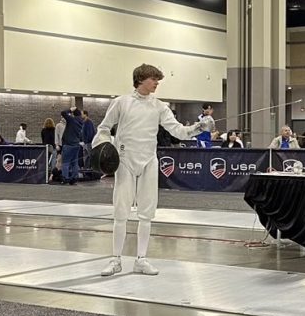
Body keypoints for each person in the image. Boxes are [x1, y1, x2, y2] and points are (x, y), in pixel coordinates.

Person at [93, 64, 202, 277]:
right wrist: (106, 147)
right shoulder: (121, 102)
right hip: (125, 160)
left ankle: (141, 259)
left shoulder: (159, 106)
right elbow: (103, 129)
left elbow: (178, 130)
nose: (157, 83)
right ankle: (115, 259)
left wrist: (197, 128)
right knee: (121, 212)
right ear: (141, 79)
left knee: (146, 213)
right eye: (154, 79)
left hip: (149, 161)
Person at [59, 107, 87, 185]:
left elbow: (63, 112)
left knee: (65, 162)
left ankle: (65, 178)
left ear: (73, 114)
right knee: (74, 163)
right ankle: (74, 178)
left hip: (68, 144)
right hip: (76, 145)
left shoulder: (72, 120)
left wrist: (70, 109)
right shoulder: (81, 122)